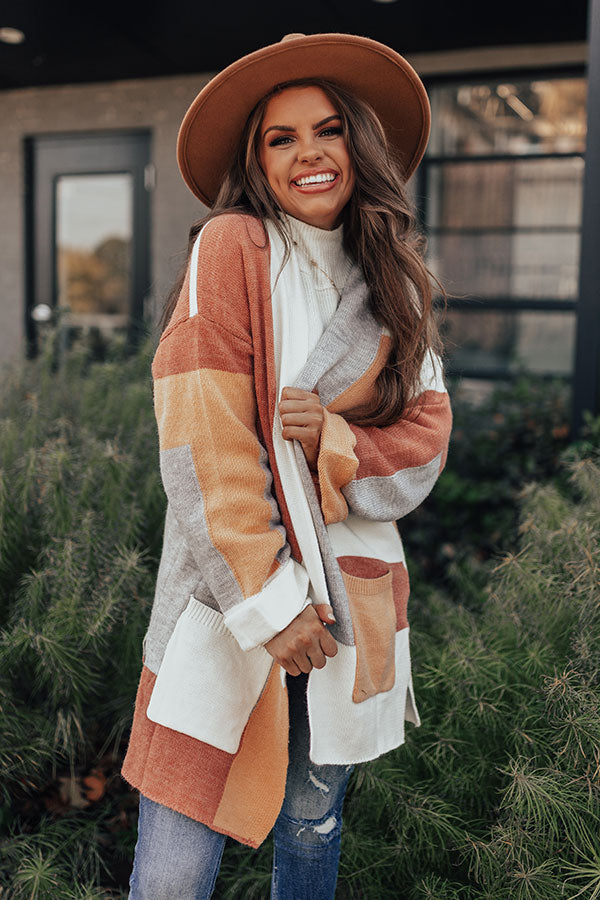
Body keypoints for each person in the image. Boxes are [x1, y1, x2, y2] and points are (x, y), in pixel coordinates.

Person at [121, 32, 452, 900]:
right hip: (231, 598)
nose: (309, 152)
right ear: (257, 159)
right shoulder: (231, 249)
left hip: (354, 594)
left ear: (360, 145)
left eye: (330, 129)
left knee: (313, 834)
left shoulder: (399, 287)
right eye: (281, 136)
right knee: (175, 859)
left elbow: (424, 445)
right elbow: (202, 441)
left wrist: (332, 443)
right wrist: (272, 602)